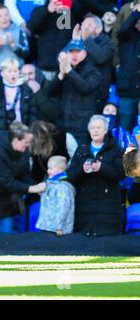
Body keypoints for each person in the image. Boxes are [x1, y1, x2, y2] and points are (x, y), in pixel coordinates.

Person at [0, 121, 46, 233]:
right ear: (16, 139)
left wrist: (36, 187)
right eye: (26, 142)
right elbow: (7, 182)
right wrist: (33, 189)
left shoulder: (23, 152)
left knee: (6, 240)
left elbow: (24, 175)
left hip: (6, 204)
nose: (28, 145)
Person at [67, 115, 125, 236]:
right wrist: (82, 169)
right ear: (89, 130)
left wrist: (102, 168)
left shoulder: (116, 149)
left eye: (99, 127)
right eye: (92, 128)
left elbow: (121, 175)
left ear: (105, 130)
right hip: (84, 207)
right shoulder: (81, 148)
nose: (95, 130)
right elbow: (71, 175)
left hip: (108, 206)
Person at [49, 39, 102, 144]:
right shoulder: (64, 69)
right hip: (62, 125)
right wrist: (61, 75)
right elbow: (51, 92)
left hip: (82, 126)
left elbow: (85, 88)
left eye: (77, 51)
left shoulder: (93, 72)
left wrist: (69, 71)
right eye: (71, 52)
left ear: (85, 53)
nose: (74, 55)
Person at [72, 14, 115, 111]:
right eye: (83, 25)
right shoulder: (79, 40)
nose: (84, 28)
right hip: (78, 90)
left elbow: (100, 58)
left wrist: (86, 39)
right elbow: (64, 59)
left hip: (97, 94)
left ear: (98, 29)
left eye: (88, 25)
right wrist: (75, 42)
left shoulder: (108, 43)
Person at [0, 58, 36, 141]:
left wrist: (31, 130)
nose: (13, 74)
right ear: (2, 73)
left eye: (15, 71)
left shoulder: (26, 89)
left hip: (20, 129)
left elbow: (33, 111)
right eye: (9, 72)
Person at [0, 4, 29, 81]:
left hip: (16, 70)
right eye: (0, 16)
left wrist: (14, 45)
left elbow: (26, 53)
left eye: (6, 15)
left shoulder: (19, 30)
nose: (4, 18)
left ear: (10, 17)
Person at [115, 2, 140, 132]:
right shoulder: (126, 36)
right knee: (125, 128)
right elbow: (123, 29)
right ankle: (126, 153)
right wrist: (136, 12)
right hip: (128, 90)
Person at [35, 155, 75, 237]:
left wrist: (59, 227)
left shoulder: (63, 187)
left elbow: (63, 207)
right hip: (47, 226)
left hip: (58, 230)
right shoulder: (49, 184)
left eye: (50, 168)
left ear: (59, 171)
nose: (47, 170)